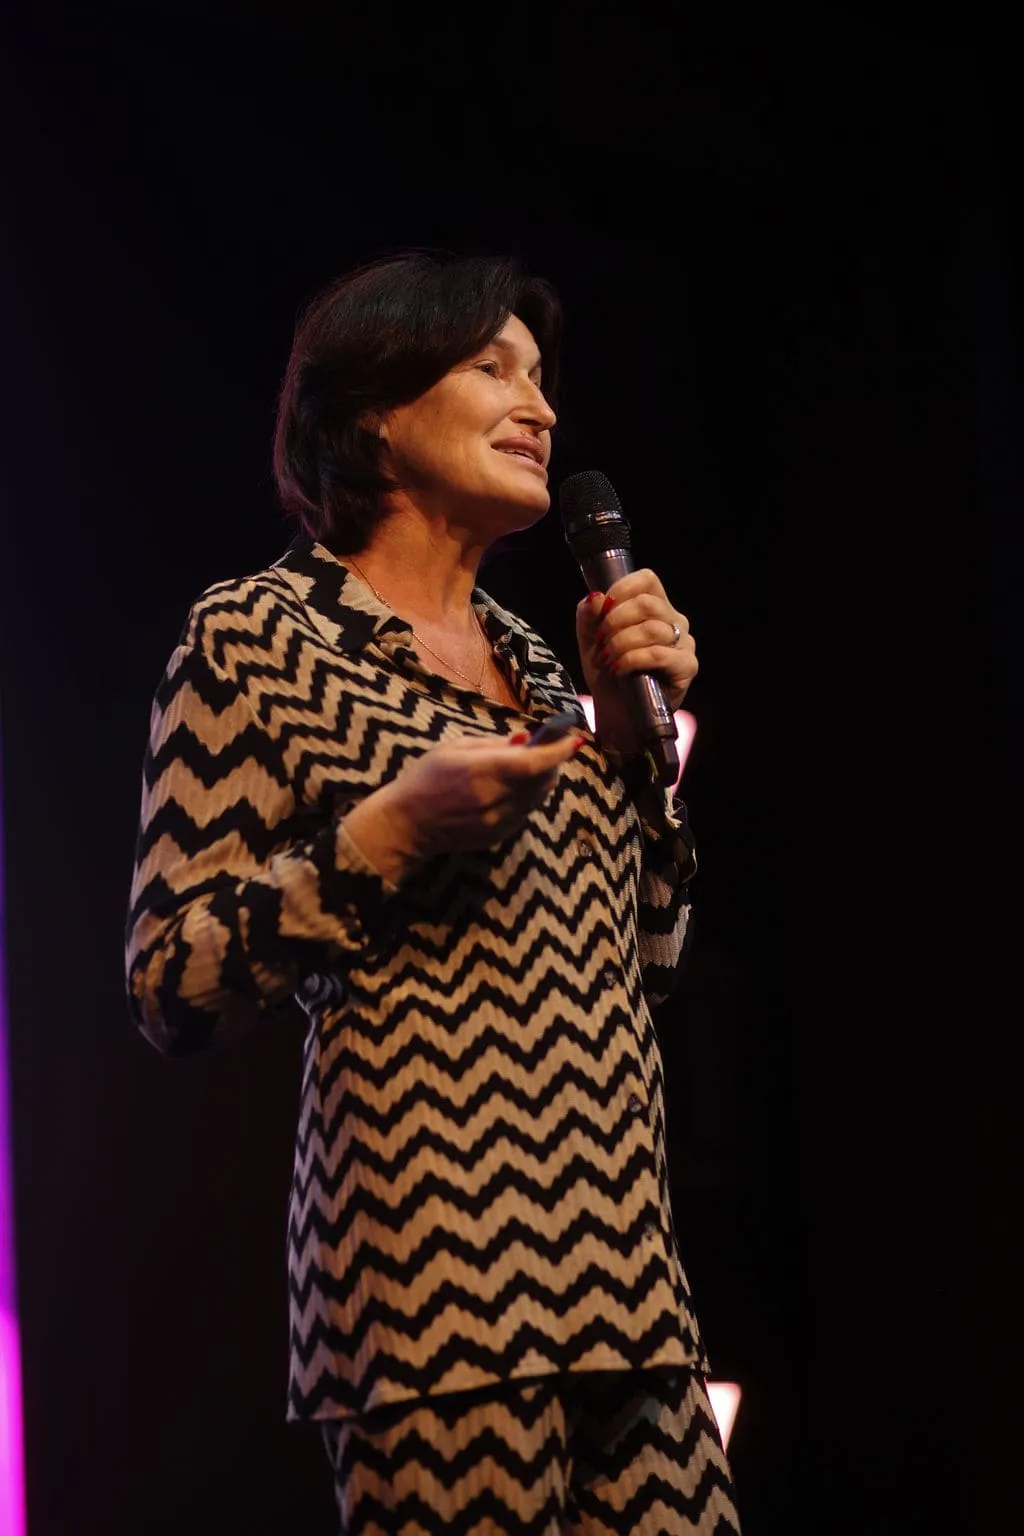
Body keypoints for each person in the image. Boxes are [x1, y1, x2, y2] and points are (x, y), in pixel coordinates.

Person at [124, 249, 743, 1535]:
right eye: (491, 367)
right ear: (373, 413)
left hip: (631, 1290)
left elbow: (651, 965)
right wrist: (386, 835)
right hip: (432, 1294)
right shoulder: (259, 635)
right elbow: (170, 981)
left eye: (542, 377)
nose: (541, 407)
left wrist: (637, 751)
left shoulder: (542, 664)